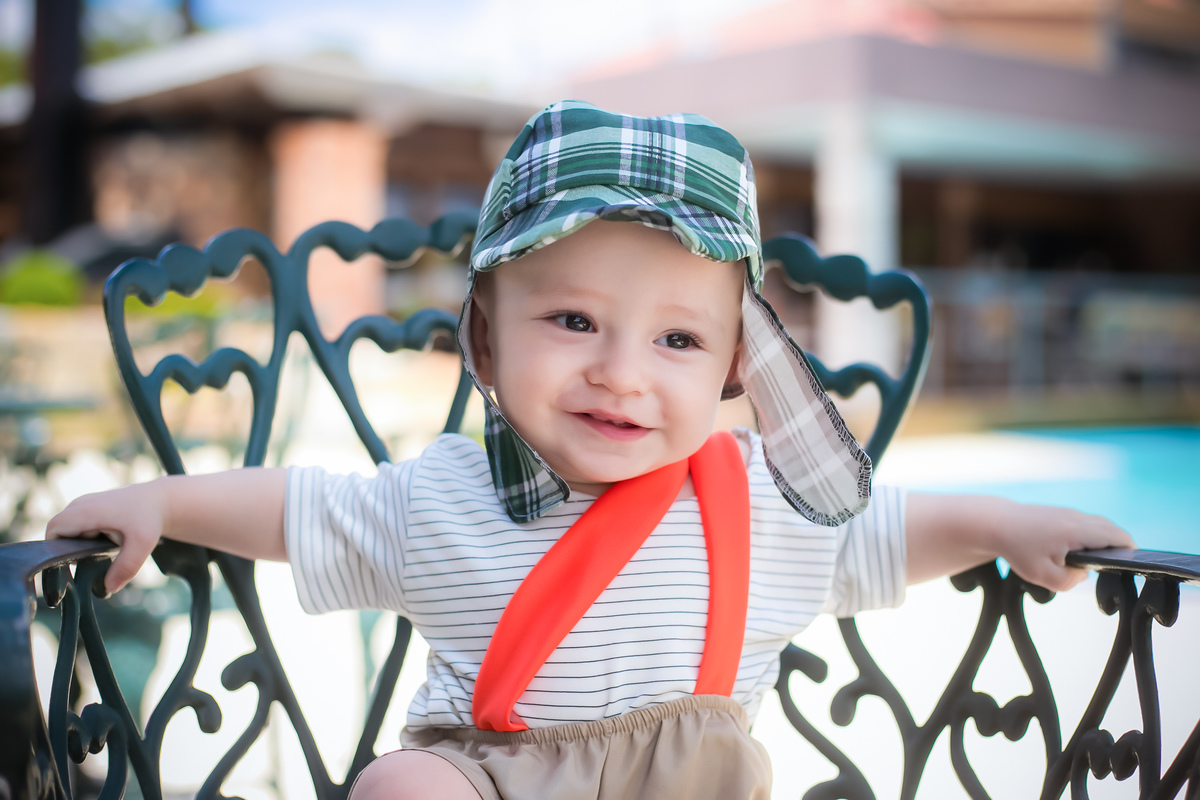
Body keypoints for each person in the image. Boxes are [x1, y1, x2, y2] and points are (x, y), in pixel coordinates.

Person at [47, 101, 1132, 800]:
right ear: (485, 332)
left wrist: (1003, 522)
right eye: (573, 321)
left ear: (730, 366)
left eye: (676, 338)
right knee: (402, 790)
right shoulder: (442, 495)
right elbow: (294, 508)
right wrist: (163, 502)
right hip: (493, 777)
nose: (622, 370)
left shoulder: (760, 498)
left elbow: (891, 532)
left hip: (690, 787)